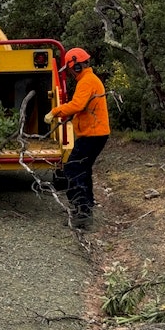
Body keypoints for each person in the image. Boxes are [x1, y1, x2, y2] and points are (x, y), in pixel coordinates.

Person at [44, 48, 110, 228]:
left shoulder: (87, 81)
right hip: (95, 133)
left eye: (71, 69)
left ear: (77, 66)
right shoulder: (89, 80)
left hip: (93, 134)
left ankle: (82, 213)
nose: (71, 73)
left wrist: (55, 111)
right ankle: (85, 209)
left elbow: (77, 105)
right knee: (83, 169)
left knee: (73, 169)